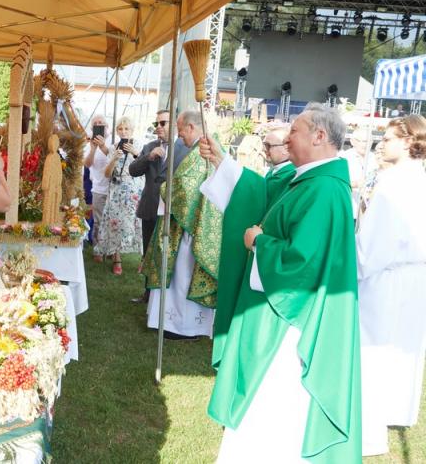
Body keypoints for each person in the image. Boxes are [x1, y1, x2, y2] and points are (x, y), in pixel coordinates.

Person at [203, 104, 361, 463]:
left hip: (290, 320)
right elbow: (261, 193)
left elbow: (302, 262)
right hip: (280, 309)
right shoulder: (308, 181)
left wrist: (259, 243)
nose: (287, 138)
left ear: (319, 136)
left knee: (275, 399)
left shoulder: (323, 189)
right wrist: (222, 163)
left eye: (295, 131)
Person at [199, 124, 296, 387]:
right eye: (264, 144)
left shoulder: (291, 177)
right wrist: (220, 160)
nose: (264, 150)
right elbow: (256, 190)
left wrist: (222, 160)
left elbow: (256, 194)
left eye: (270, 145)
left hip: (270, 256)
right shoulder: (277, 174)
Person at [357, 115, 426, 456]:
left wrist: (352, 263)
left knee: (375, 348)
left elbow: (373, 246)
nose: (381, 144)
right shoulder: (418, 178)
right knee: (403, 346)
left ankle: (368, 428)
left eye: (388, 139)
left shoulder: (394, 183)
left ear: (410, 141)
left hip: (387, 275)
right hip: (414, 276)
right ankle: (393, 410)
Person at [143, 110, 221, 339]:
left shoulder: (202, 153)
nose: (179, 135)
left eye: (180, 129)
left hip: (190, 229)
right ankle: (173, 323)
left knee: (183, 275)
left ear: (191, 127)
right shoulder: (204, 149)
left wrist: (165, 189)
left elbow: (184, 190)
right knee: (180, 274)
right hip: (193, 225)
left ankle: (183, 327)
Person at [128, 110, 189, 301]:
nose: (158, 127)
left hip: (172, 211)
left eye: (163, 123)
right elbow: (133, 170)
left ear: (175, 125)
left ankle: (166, 297)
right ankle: (148, 294)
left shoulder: (185, 147)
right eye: (157, 123)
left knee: (169, 254)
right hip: (150, 207)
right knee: (148, 252)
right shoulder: (150, 146)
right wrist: (148, 157)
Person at [97, 117, 143, 275]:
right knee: (115, 223)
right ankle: (117, 259)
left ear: (132, 130)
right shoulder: (113, 148)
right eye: (121, 129)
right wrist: (114, 159)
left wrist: (135, 153)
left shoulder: (139, 146)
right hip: (116, 190)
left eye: (126, 129)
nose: (123, 132)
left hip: (134, 190)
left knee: (137, 223)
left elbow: (146, 166)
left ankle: (143, 259)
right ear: (117, 131)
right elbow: (107, 174)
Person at [83, 115, 111, 262]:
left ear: (107, 127)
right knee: (98, 220)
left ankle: (111, 249)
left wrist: (103, 146)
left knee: (112, 220)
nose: (99, 125)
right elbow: (87, 164)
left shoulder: (113, 141)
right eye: (96, 124)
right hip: (98, 187)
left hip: (113, 188)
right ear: (92, 128)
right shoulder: (89, 144)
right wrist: (93, 149)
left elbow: (115, 158)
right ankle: (98, 249)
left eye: (102, 123)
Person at [340, 129, 377, 219]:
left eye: (369, 141)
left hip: (369, 213)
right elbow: (337, 182)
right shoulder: (343, 158)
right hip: (349, 211)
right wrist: (355, 184)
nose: (366, 144)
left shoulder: (376, 159)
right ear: (353, 142)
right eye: (363, 141)